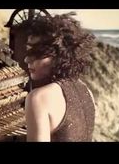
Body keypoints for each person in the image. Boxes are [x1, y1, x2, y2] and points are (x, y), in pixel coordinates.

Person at [23, 13, 96, 142]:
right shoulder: (86, 91)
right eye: (28, 52)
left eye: (37, 54)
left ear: (59, 57)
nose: (27, 59)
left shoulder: (38, 98)